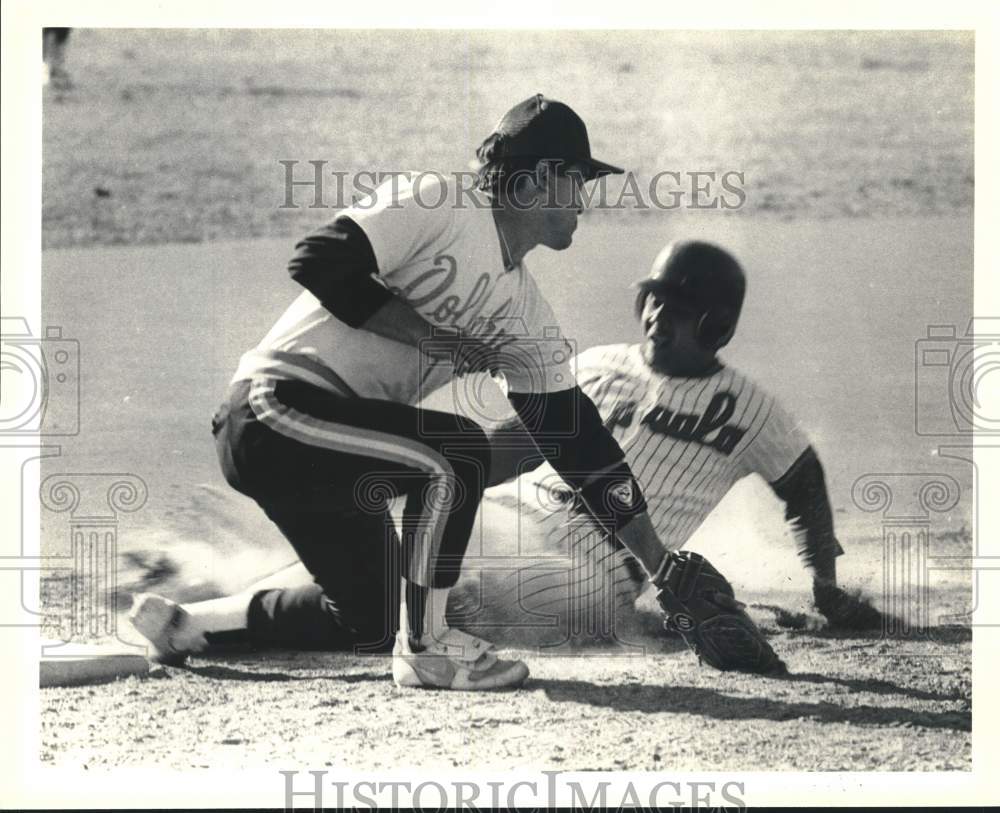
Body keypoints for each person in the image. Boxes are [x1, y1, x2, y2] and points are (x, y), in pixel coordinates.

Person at [130, 96, 773, 689]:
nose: (585, 197)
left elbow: (578, 445)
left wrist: (659, 564)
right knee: (456, 454)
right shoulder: (439, 203)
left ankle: (187, 625)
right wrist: (436, 340)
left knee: (374, 616)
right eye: (578, 178)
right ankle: (429, 648)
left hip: (321, 452)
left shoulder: (525, 313)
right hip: (272, 412)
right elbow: (319, 260)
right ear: (536, 179)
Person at [486, 239, 880, 636]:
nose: (658, 315)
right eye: (654, 300)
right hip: (509, 516)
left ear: (716, 325)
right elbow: (512, 445)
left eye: (678, 308)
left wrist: (825, 587)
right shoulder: (594, 365)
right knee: (433, 535)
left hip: (594, 568)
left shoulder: (752, 410)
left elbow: (805, 485)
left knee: (478, 594)